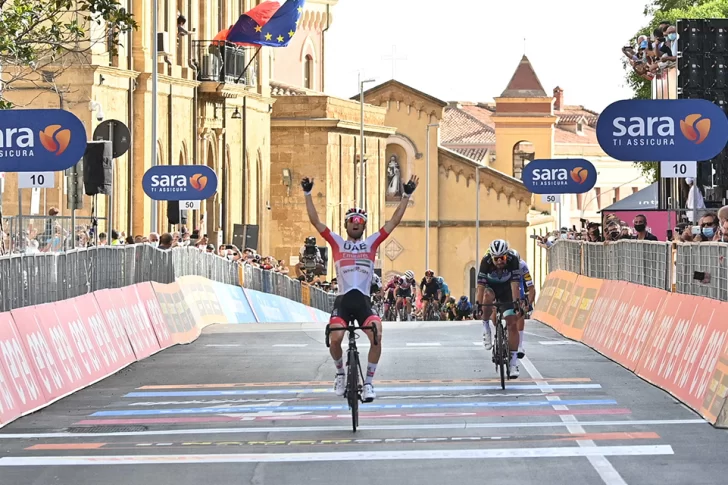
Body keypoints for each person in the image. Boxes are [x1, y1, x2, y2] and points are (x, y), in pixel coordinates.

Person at [302, 174, 419, 402]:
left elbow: (393, 222)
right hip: (343, 301)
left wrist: (406, 195)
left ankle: (368, 383)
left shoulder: (371, 243)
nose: (356, 225)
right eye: (352, 222)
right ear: (346, 225)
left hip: (363, 301)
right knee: (335, 339)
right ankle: (339, 374)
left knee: (377, 335)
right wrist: (307, 194)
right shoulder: (336, 242)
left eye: (360, 223)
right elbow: (316, 222)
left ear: (364, 226)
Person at [476, 239, 522, 378]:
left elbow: (515, 285)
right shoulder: (486, 262)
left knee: (512, 324)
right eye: (496, 259)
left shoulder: (513, 261)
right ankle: (486, 327)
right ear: (491, 257)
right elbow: (480, 287)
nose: (499, 261)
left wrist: (516, 303)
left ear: (507, 255)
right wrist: (478, 305)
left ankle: (513, 363)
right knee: (487, 296)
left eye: (502, 258)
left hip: (507, 289)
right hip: (492, 288)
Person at [509, 249, 535, 358]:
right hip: (504, 285)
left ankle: (519, 345)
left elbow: (531, 287)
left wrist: (528, 304)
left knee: (520, 311)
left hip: (519, 284)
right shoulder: (503, 265)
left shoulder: (523, 266)